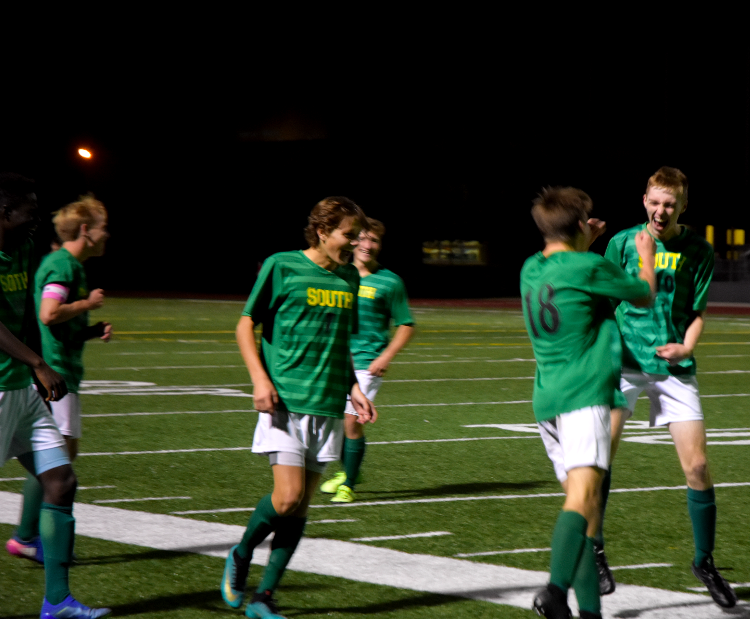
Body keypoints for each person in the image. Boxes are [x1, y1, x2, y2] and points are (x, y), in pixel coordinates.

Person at [221, 196, 377, 619]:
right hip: (285, 401)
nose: (353, 244)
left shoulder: (349, 278)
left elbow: (339, 341)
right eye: (348, 235)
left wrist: (354, 388)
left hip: (327, 404)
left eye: (358, 236)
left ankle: (264, 599)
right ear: (323, 231)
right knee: (287, 499)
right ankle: (240, 553)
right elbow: (244, 324)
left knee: (300, 508)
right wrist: (258, 378)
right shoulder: (282, 265)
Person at [602, 166, 737, 609]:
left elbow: (697, 311)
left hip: (674, 367)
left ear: (683, 206)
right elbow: (604, 300)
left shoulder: (698, 249)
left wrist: (686, 346)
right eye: (655, 202)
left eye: (670, 204)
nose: (661, 211)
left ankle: (704, 561)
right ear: (644, 200)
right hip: (624, 363)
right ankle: (594, 549)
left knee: (697, 467)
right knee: (598, 459)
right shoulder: (622, 243)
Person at [521, 187, 655, 619]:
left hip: (548, 399)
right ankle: (555, 591)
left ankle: (590, 613)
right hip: (584, 396)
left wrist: (583, 241)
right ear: (580, 224)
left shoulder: (530, 268)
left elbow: (568, 269)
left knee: (586, 511)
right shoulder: (590, 265)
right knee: (582, 502)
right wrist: (646, 255)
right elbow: (643, 294)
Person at [0, 173, 110, 618]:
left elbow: (30, 316)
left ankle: (57, 602)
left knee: (61, 481)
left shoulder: (24, 249)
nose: (35, 221)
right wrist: (40, 363)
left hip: (22, 392)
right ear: (4, 213)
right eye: (27, 211)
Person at [319, 218, 415, 503]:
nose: (367, 245)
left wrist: (385, 356)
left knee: (352, 420)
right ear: (352, 241)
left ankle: (348, 483)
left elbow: (406, 324)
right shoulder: (338, 273)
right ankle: (350, 469)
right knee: (333, 421)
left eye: (374, 240)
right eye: (362, 238)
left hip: (367, 363)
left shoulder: (390, 281)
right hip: (338, 360)